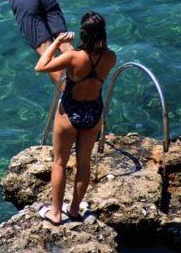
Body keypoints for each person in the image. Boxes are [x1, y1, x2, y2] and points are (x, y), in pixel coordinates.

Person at [33, 12, 116, 225]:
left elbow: (40, 66)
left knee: (59, 163)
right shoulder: (111, 57)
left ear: (83, 33)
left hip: (70, 111)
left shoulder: (74, 57)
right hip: (93, 112)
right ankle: (74, 210)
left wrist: (58, 42)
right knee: (84, 164)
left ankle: (55, 214)